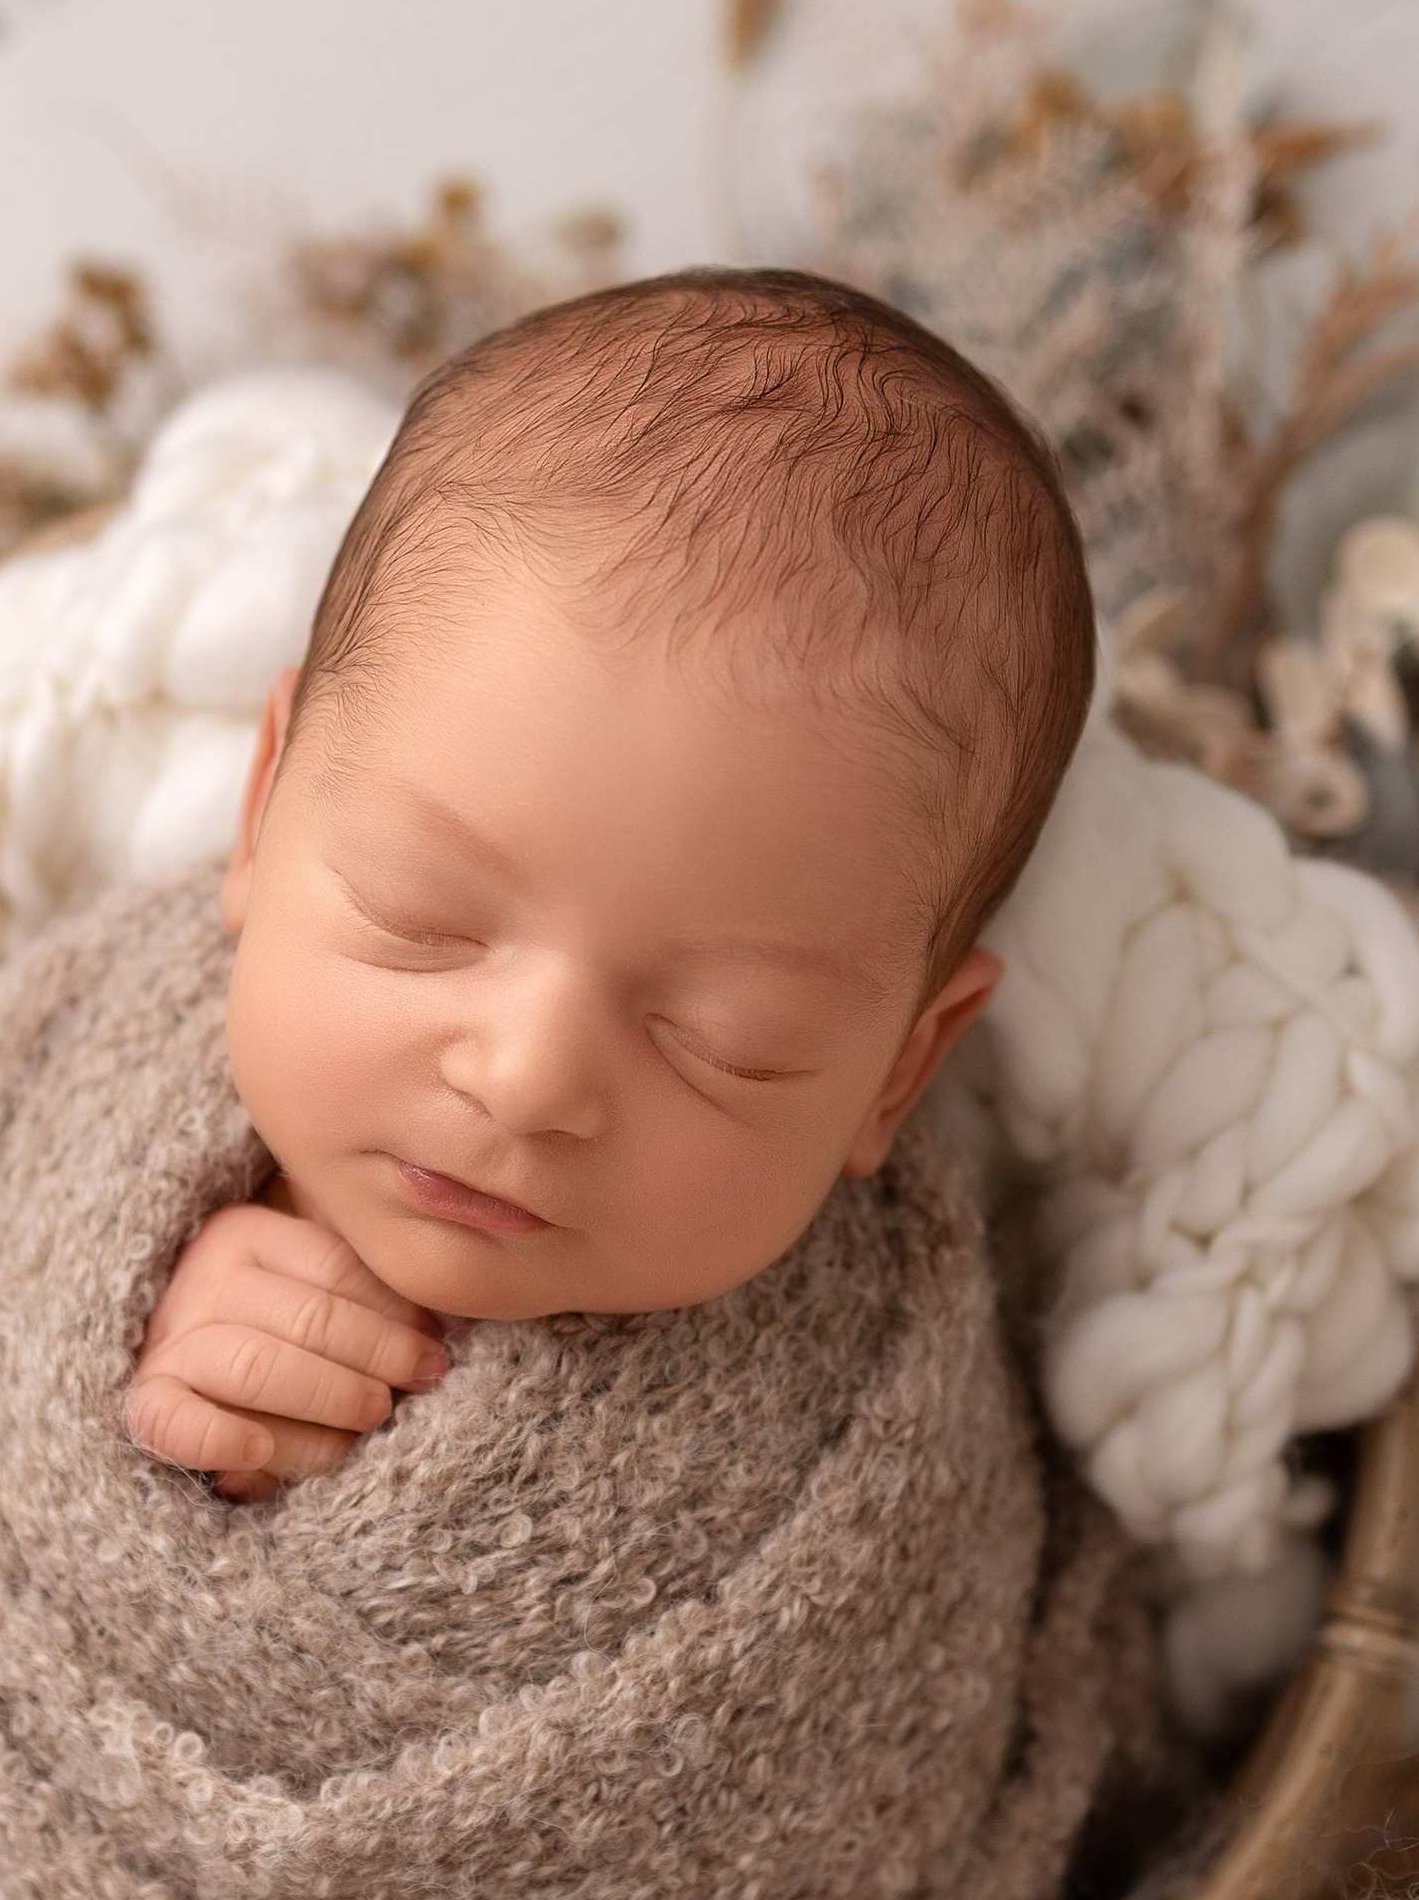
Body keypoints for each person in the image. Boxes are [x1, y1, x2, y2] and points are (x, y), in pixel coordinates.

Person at [126, 264, 1095, 1500]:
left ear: (899, 1070)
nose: (528, 1082)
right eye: (418, 917)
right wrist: (126, 1355)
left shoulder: (857, 1424)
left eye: (720, 1041)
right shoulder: (107, 1059)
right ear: (263, 810)